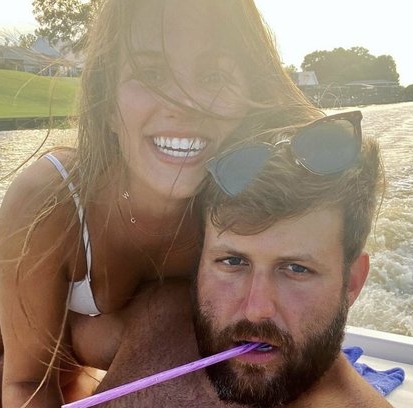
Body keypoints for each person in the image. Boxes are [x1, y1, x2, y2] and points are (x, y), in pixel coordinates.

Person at [0, 0, 320, 407]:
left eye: (214, 76)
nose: (184, 104)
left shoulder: (245, 210)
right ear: (108, 103)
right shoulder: (49, 198)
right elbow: (28, 384)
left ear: (248, 99)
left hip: (91, 328)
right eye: (151, 74)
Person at [68, 113, 393, 407]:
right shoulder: (159, 317)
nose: (255, 309)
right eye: (232, 262)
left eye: (296, 269)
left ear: (352, 283)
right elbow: (51, 355)